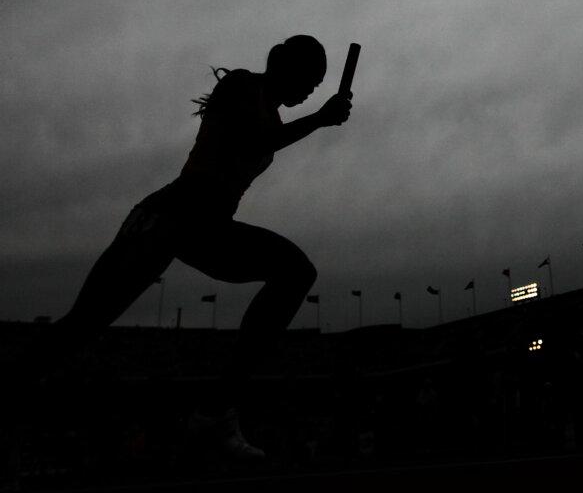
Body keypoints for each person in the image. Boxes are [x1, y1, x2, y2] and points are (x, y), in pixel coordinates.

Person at [44, 34, 352, 460]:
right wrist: (319, 119)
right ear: (284, 65)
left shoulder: (273, 117)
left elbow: (264, 140)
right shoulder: (243, 85)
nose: (311, 90)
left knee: (295, 272)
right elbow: (253, 142)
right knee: (81, 326)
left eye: (318, 85)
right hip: (168, 218)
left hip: (202, 226)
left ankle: (216, 412)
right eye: (310, 79)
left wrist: (315, 119)